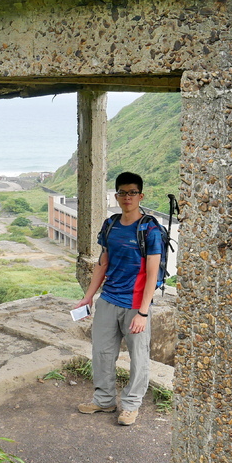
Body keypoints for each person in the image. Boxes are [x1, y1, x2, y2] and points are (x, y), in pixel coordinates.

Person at [73, 172, 162, 426]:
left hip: (135, 304)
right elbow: (103, 262)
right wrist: (88, 297)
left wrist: (143, 313)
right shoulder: (110, 225)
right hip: (108, 300)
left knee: (139, 357)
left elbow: (152, 274)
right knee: (101, 352)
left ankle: (131, 405)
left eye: (132, 192)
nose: (127, 197)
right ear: (116, 196)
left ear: (140, 196)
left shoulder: (149, 228)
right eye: (122, 192)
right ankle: (104, 400)